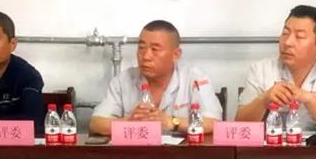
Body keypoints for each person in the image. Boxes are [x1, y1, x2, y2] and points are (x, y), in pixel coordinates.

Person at [89, 20, 222, 136]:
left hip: (182, 155)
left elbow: (213, 122)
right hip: (137, 155)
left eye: (155, 49)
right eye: (141, 48)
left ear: (176, 54)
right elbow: (96, 123)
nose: (146, 56)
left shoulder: (194, 78)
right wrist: (129, 122)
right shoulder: (123, 80)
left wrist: (172, 122)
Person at [235, 5, 316, 132]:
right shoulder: (261, 69)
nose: (287, 42)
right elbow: (240, 125)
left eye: (299, 36)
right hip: (272, 143)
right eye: (285, 33)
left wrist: (308, 99)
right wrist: (264, 100)